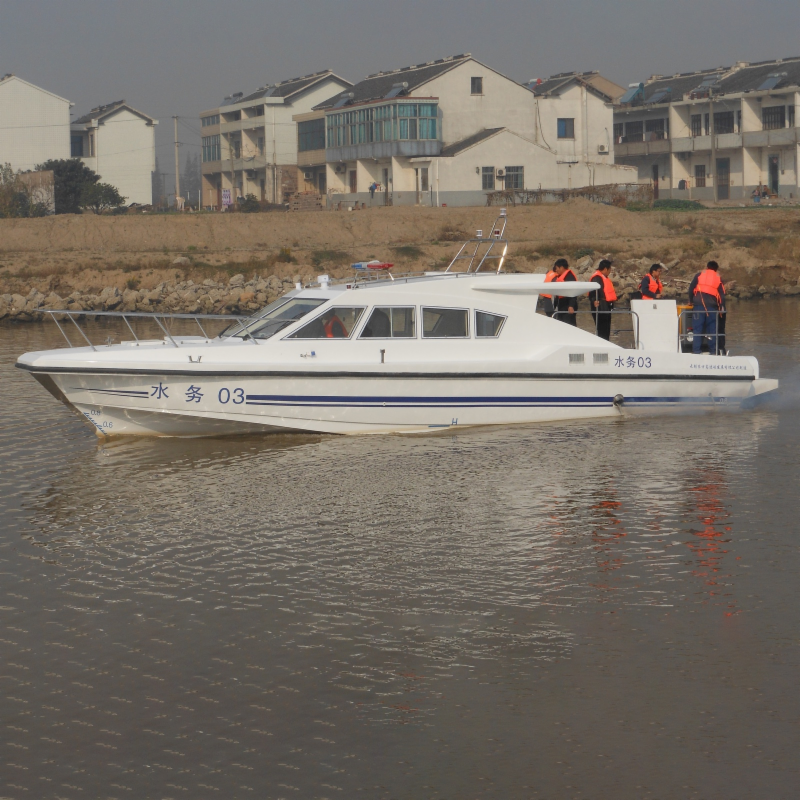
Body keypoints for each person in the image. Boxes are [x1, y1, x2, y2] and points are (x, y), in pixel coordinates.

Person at [688, 260, 725, 354]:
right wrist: (722, 306)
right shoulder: (718, 278)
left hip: (698, 306)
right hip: (712, 308)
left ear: (707, 267)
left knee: (697, 329)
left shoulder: (699, 275)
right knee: (712, 331)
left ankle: (696, 351)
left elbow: (691, 289)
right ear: (716, 269)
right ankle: (713, 352)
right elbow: (722, 295)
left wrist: (691, 301)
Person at [589, 259, 617, 341]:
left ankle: (606, 343)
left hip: (606, 306)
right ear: (605, 269)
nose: (610, 271)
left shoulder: (604, 277)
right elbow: (593, 292)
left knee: (606, 330)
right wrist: (594, 300)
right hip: (600, 307)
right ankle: (602, 343)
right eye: (609, 269)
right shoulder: (597, 278)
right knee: (602, 330)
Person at [552, 258, 578, 326]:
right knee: (561, 324)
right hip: (562, 304)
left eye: (557, 268)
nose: (556, 270)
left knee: (569, 324)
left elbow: (573, 291)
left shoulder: (569, 277)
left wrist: (571, 305)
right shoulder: (560, 276)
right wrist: (554, 306)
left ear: (561, 267)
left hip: (568, 304)